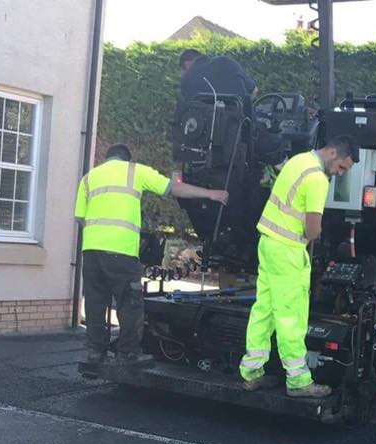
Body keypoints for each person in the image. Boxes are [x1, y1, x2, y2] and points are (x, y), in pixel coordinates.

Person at [74, 143, 228, 363]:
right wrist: (210, 194)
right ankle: (127, 354)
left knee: (95, 302)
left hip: (91, 252)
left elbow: (80, 218)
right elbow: (173, 188)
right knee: (130, 303)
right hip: (121, 250)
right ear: (126, 159)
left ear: (107, 159)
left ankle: (94, 352)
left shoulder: (89, 178)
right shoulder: (134, 170)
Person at [239, 137, 358, 398]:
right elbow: (313, 230)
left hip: (269, 243)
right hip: (289, 251)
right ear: (333, 152)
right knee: (291, 316)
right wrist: (320, 232)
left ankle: (251, 372)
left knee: (264, 311)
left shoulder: (298, 160)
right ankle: (299, 381)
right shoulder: (317, 178)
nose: (339, 174)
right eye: (341, 167)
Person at [179, 49, 258, 104]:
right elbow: (254, 90)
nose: (181, 74)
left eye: (182, 69)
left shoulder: (186, 80)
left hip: (205, 125)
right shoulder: (226, 61)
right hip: (240, 123)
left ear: (187, 63)